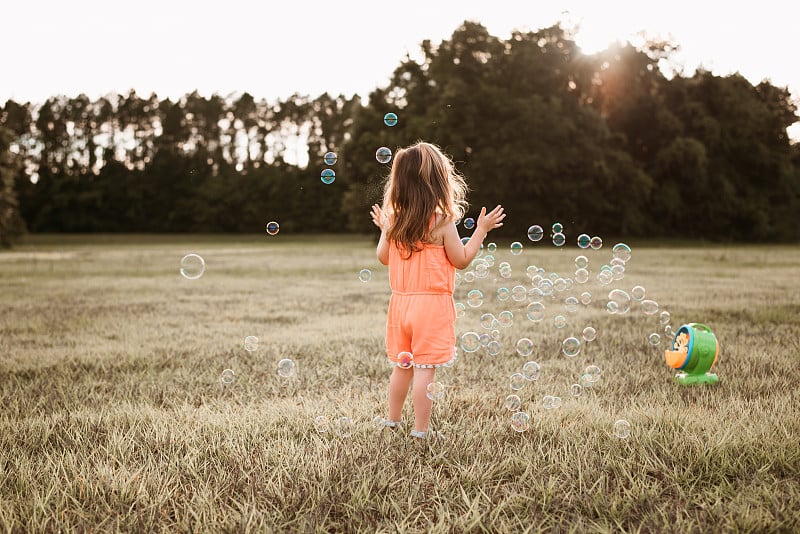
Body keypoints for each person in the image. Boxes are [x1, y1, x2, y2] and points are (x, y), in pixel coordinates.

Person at [370, 141, 505, 439]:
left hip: (400, 307)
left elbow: (383, 257)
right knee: (425, 370)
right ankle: (421, 432)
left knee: (402, 366)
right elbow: (462, 260)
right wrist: (481, 230)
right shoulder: (442, 221)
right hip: (431, 308)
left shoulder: (395, 220)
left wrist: (384, 228)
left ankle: (392, 422)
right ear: (438, 182)